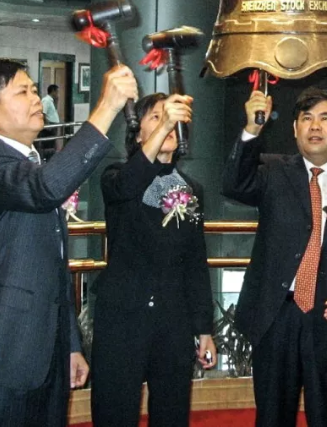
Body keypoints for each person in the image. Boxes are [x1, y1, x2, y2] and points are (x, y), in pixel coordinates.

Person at [0, 58, 138, 427]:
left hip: (45, 357)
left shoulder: (31, 163)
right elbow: (45, 189)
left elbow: (53, 270)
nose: (36, 98)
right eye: (22, 91)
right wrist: (106, 108)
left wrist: (70, 345)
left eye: (35, 90)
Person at [222, 87, 327, 427]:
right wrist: (252, 129)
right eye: (306, 118)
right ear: (294, 128)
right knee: (272, 417)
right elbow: (234, 184)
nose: (315, 126)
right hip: (275, 317)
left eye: (325, 118)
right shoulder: (272, 170)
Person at [90, 92, 217, 426]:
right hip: (122, 318)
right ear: (137, 135)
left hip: (173, 320)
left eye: (171, 119)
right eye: (157, 118)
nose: (168, 125)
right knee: (114, 413)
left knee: (172, 413)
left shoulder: (191, 189)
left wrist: (204, 328)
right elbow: (128, 185)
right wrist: (164, 127)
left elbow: (195, 262)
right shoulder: (116, 176)